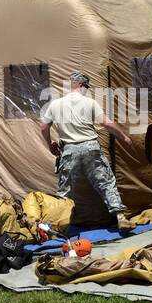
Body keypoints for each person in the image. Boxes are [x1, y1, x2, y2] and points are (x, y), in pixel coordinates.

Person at [40, 71, 134, 232]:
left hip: (69, 150)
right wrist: (124, 138)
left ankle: (59, 226)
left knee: (65, 189)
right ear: (81, 85)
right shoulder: (90, 102)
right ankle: (120, 217)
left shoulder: (56, 104)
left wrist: (50, 145)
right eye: (86, 87)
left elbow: (44, 127)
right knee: (106, 183)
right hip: (91, 148)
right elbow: (107, 124)